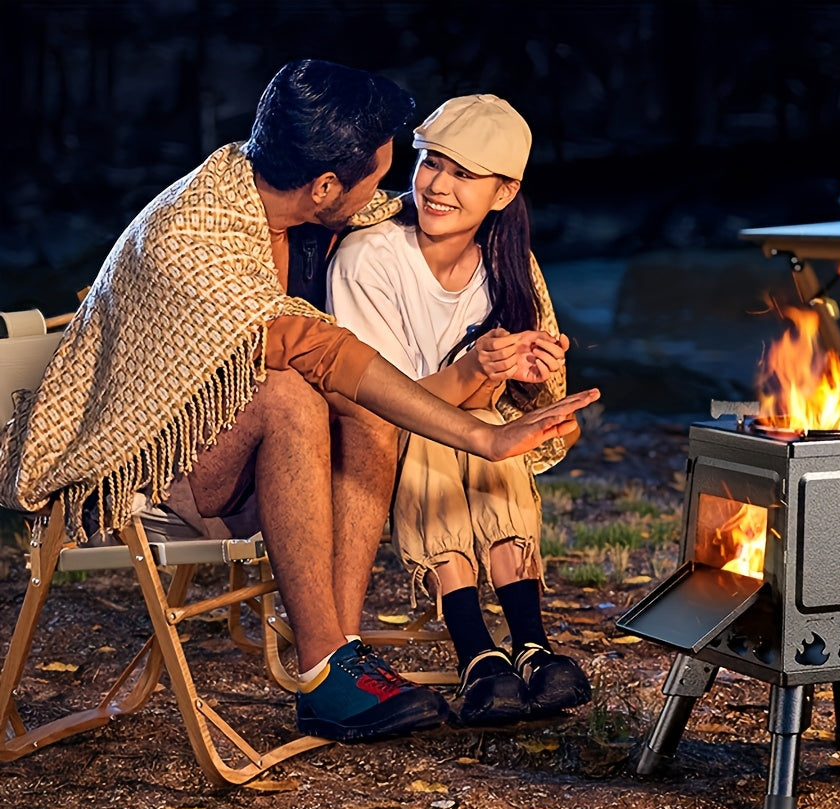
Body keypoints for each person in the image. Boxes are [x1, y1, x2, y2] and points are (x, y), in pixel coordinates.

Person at [0, 61, 598, 744]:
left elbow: (369, 270)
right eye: (384, 174)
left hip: (237, 452)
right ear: (324, 185)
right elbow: (316, 349)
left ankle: (342, 654)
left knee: (359, 410)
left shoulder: (288, 195)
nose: (395, 191)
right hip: (151, 478)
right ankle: (322, 673)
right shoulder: (194, 239)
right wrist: (483, 438)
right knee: (294, 394)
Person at [327, 94, 592, 725]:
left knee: (496, 427)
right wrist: (476, 371)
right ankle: (476, 651)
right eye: (428, 162)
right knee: (441, 439)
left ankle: (528, 647)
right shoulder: (369, 260)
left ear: (502, 192)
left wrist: (529, 386)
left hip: (463, 440)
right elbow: (382, 404)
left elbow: (497, 405)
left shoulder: (508, 265)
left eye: (463, 173)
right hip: (371, 445)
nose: (437, 185)